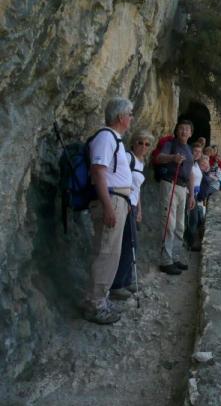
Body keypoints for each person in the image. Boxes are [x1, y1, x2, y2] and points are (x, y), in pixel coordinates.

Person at [83, 97, 133, 324]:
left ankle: (99, 299)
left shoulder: (114, 139)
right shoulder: (106, 137)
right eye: (130, 114)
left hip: (117, 200)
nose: (131, 118)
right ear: (120, 117)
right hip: (110, 200)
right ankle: (95, 305)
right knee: (105, 253)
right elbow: (98, 172)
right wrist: (108, 207)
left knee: (110, 253)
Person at [110, 129, 153, 300]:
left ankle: (126, 280)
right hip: (124, 205)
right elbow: (121, 181)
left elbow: (138, 189)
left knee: (131, 244)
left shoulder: (140, 163)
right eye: (140, 142)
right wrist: (127, 202)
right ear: (133, 143)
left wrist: (139, 210)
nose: (143, 146)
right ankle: (118, 285)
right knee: (128, 244)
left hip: (133, 207)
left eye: (147, 144)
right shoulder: (128, 158)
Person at [157, 120, 195, 275]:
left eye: (187, 129)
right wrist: (173, 158)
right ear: (176, 131)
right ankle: (166, 261)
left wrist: (192, 194)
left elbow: (191, 173)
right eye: (181, 129)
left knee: (180, 225)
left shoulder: (189, 149)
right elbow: (159, 158)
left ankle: (175, 257)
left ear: (191, 133)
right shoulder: (171, 144)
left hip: (182, 188)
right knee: (169, 224)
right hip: (170, 185)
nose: (184, 131)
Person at [185, 143, 203, 251]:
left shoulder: (196, 164)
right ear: (191, 151)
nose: (197, 153)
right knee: (191, 219)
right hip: (188, 194)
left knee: (193, 219)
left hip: (194, 195)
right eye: (195, 151)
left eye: (199, 152)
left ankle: (190, 243)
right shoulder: (189, 164)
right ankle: (190, 244)